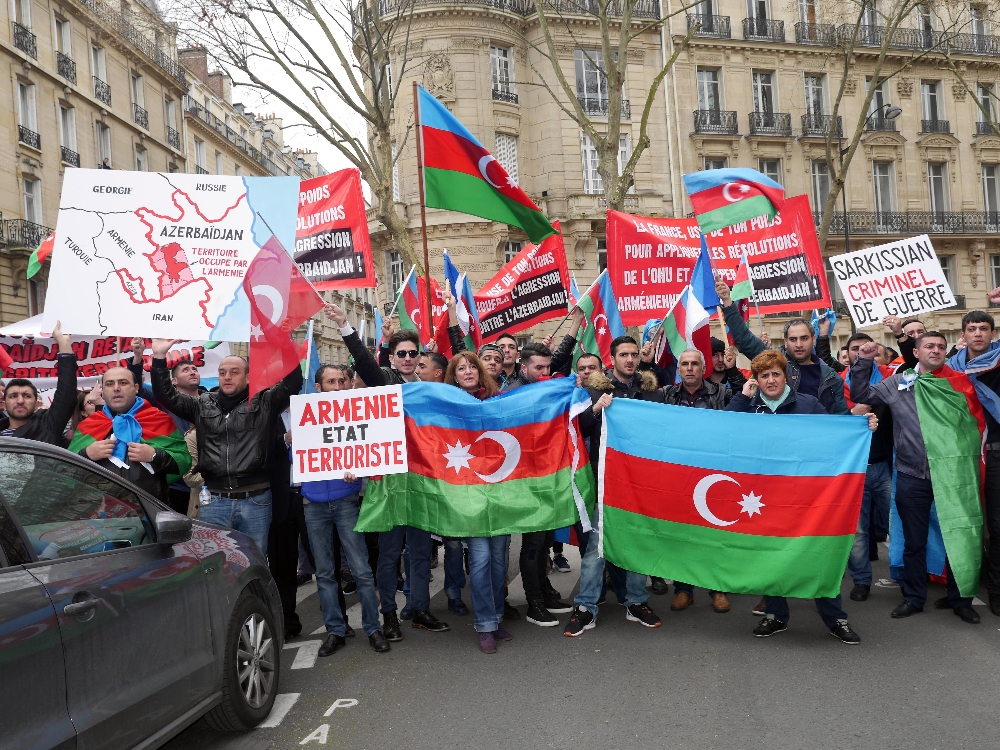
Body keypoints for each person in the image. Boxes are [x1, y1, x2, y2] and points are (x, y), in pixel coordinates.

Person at [727, 349, 872, 644]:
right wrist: (742, 397)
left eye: (775, 374)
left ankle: (836, 619)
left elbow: (835, 434)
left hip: (806, 496)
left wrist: (863, 426)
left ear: (786, 377)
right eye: (764, 375)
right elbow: (722, 430)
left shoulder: (808, 404)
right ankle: (776, 616)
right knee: (770, 555)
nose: (770, 380)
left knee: (817, 554)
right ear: (756, 379)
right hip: (763, 497)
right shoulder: (749, 406)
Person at [326, 303, 449, 640]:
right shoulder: (385, 383)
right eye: (402, 354)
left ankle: (420, 607)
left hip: (423, 481)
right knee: (390, 553)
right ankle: (390, 614)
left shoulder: (433, 389)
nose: (408, 359)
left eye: (413, 354)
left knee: (421, 550)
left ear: (420, 358)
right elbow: (365, 363)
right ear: (393, 358)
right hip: (390, 482)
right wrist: (345, 325)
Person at [851, 333, 982, 625]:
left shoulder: (957, 383)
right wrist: (863, 359)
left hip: (952, 475)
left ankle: (960, 600)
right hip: (912, 475)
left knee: (957, 536)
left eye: (940, 347)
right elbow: (862, 394)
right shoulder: (899, 383)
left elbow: (971, 427)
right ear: (916, 351)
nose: (935, 350)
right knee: (913, 541)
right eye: (929, 346)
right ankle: (913, 597)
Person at [149, 339, 302, 554]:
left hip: (256, 501)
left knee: (253, 563)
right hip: (214, 501)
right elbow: (165, 395)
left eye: (234, 372)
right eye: (222, 372)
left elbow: (292, 383)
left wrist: (285, 345)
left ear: (248, 377)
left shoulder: (264, 402)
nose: (227, 377)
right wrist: (158, 357)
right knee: (217, 564)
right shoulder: (202, 404)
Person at [564, 335, 664, 636]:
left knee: (637, 543)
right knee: (595, 547)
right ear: (613, 358)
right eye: (624, 355)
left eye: (634, 354)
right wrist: (596, 410)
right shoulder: (594, 390)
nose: (630, 360)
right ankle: (586, 607)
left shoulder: (651, 394)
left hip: (641, 483)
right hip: (606, 482)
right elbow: (576, 427)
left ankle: (636, 602)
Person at [298, 364, 390, 657]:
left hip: (346, 500)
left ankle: (373, 628)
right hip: (313, 503)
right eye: (330, 381)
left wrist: (359, 470)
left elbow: (368, 446)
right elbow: (298, 457)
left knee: (361, 569)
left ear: (350, 383)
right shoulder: (304, 416)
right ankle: (335, 630)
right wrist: (291, 439)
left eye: (342, 381)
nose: (337, 386)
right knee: (325, 573)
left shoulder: (358, 411)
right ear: (318, 386)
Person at [443, 351, 512, 653]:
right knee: (480, 560)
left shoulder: (500, 400)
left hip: (499, 493)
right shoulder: (445, 404)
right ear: (453, 375)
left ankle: (496, 617)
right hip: (468, 494)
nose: (468, 371)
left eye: (473, 366)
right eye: (461, 368)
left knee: (499, 562)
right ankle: (484, 623)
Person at [660, 349, 733, 614]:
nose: (689, 368)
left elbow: (736, 424)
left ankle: (718, 588)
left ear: (704, 368)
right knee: (682, 534)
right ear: (678, 369)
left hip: (712, 474)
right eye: (684, 364)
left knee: (714, 532)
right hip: (678, 476)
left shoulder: (722, 394)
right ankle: (683, 589)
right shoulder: (666, 395)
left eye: (695, 363)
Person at [716, 280, 848, 416]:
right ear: (785, 342)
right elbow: (743, 339)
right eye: (793, 339)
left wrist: (865, 423)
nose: (799, 344)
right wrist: (727, 302)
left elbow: (842, 419)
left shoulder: (831, 377)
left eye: (804, 338)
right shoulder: (774, 361)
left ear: (813, 340)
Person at [947, 306, 1000, 617]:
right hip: (961, 453)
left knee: (996, 524)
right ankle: (960, 591)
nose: (978, 333)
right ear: (963, 335)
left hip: (994, 451)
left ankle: (995, 590)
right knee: (962, 523)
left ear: (992, 334)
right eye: (972, 329)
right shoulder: (950, 369)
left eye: (984, 328)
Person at [71, 366, 191, 503]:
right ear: (103, 392)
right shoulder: (89, 425)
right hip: (98, 514)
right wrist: (86, 454)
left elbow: (184, 462)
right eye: (109, 384)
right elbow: (64, 472)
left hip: (149, 512)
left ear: (136, 388)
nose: (116, 388)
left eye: (123, 383)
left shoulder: (159, 419)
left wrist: (155, 455)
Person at [0, 321, 78, 446]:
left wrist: (64, 344)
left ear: (36, 403)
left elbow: (66, 395)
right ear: (4, 403)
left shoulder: (47, 426)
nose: (20, 401)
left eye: (27, 396)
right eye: (13, 396)